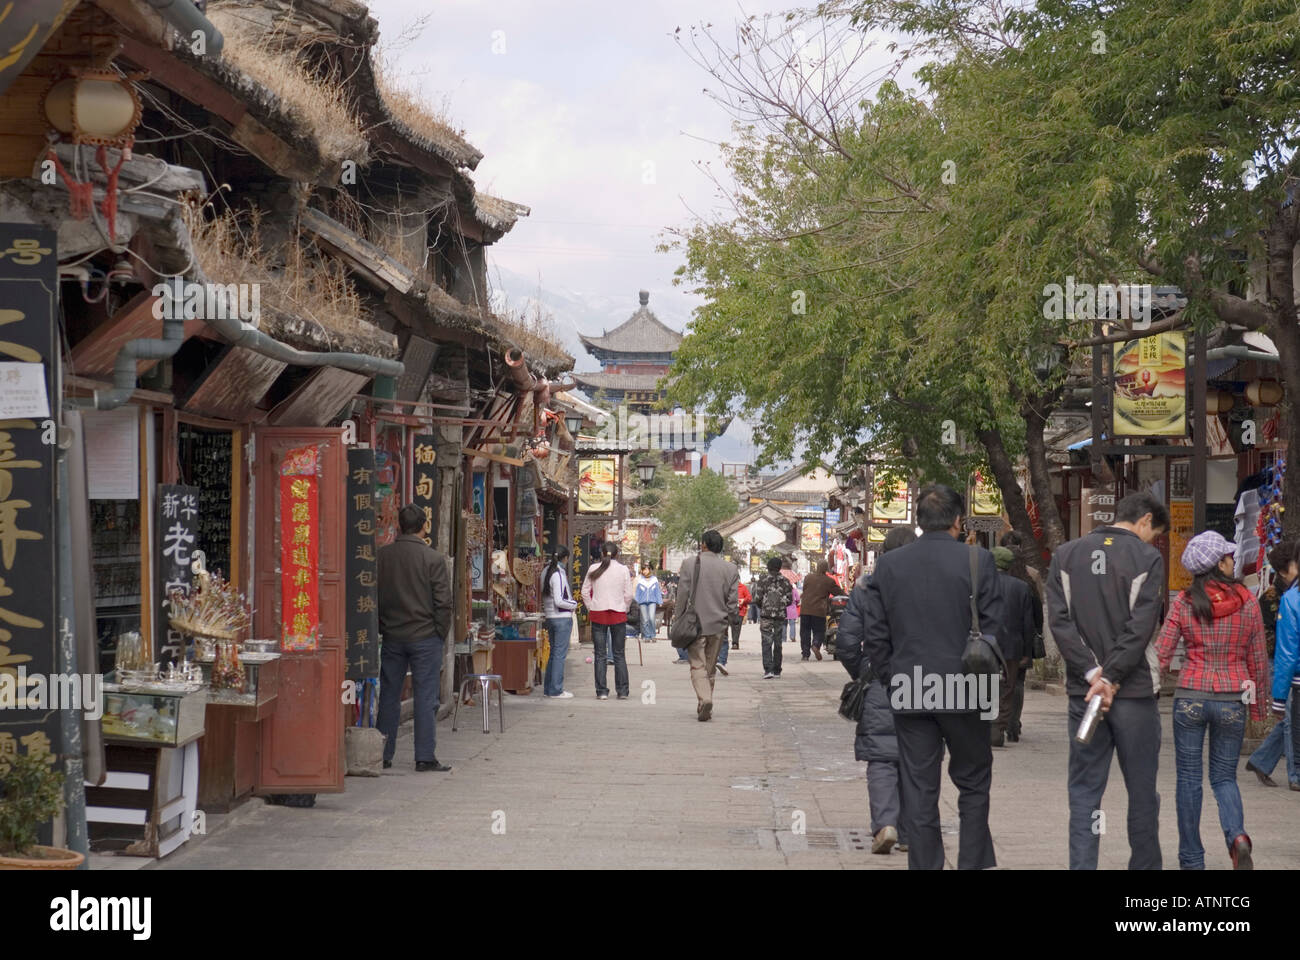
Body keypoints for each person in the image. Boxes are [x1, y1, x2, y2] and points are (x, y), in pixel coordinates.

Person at [863, 484, 1003, 870]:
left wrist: (893, 677)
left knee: (919, 787)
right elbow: (993, 629)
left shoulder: (890, 565)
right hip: (968, 688)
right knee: (973, 782)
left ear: (919, 521)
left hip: (911, 688)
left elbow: (875, 633)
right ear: (959, 520)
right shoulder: (979, 560)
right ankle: (973, 862)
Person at [1046, 490, 1168, 870]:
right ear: (1145, 520)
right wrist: (1112, 677)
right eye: (1156, 533)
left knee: (1084, 792)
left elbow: (1060, 623)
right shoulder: (1147, 558)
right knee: (1142, 792)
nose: (1155, 541)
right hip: (1133, 695)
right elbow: (1141, 627)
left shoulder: (1065, 556)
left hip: (1085, 695)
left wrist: (1092, 673)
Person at [1153, 530, 1269, 870]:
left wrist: (1144, 688)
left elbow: (1162, 652)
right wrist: (1259, 707)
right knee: (1224, 778)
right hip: (1232, 700)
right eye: (1229, 556)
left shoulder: (1184, 602)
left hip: (1189, 697)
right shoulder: (1247, 600)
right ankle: (1238, 838)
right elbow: (1258, 659)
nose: (1234, 560)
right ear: (1219, 562)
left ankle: (1191, 860)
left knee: (1188, 780)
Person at [838, 525, 916, 854]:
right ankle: (912, 832)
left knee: (882, 758)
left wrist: (864, 670)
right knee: (917, 756)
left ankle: (885, 824)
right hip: (924, 681)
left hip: (880, 678)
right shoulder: (931, 586)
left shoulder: (866, 588)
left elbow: (845, 642)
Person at [376, 503, 454, 772]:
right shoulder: (432, 559)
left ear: (399, 525)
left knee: (389, 694)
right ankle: (424, 756)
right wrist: (439, 633)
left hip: (393, 634)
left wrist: (382, 626)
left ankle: (383, 753)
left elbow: (375, 597)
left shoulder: (383, 556)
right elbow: (444, 603)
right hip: (424, 636)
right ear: (424, 526)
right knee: (425, 696)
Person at [1247, 540, 1298, 788]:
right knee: (1290, 719)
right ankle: (1294, 774)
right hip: (1278, 664)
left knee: (1291, 719)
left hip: (1287, 661)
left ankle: (1261, 760)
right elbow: (1269, 640)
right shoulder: (1272, 598)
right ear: (1284, 568)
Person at [675, 530, 739, 720]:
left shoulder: (689, 564)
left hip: (695, 625)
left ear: (703, 545)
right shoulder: (731, 569)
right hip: (718, 625)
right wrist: (730, 620)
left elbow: (682, 594)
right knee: (709, 668)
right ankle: (704, 703)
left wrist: (678, 617)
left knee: (697, 666)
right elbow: (732, 601)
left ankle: (705, 699)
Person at [999, 530, 1045, 741]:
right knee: (1017, 682)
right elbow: (1035, 614)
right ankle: (1013, 723)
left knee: (996, 681)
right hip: (1019, 640)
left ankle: (998, 720)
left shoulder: (990, 579)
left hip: (995, 640)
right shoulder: (1031, 576)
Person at [990, 546, 1037, 748]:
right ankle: (999, 727)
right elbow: (1028, 623)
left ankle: (987, 725)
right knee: (1008, 687)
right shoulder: (1021, 587)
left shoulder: (983, 585)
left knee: (986, 684)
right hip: (1012, 646)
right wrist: (1027, 653)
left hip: (987, 645)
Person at [582, 542, 634, 700]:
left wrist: (592, 606)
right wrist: (624, 607)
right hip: (618, 614)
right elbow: (629, 594)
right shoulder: (623, 569)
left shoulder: (593, 568)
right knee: (619, 654)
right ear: (617, 554)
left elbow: (585, 591)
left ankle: (602, 691)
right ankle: (623, 691)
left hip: (598, 613)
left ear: (602, 553)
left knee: (600, 654)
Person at [1270, 540, 1300, 798]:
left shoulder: (1291, 599)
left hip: (1296, 679)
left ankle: (1296, 775)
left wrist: (1278, 698)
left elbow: (1287, 653)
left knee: (1292, 726)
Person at [541, 546, 578, 699]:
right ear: (565, 558)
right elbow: (559, 600)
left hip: (550, 616)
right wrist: (573, 604)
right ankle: (556, 689)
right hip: (561, 618)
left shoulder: (545, 571)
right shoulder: (558, 574)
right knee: (559, 655)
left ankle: (549, 688)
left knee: (554, 654)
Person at [751, 556, 793, 679]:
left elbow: (757, 599)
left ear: (768, 568)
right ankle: (777, 670)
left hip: (766, 616)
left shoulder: (763, 581)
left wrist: (765, 606)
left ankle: (768, 669)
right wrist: (780, 604)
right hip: (780, 616)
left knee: (766, 642)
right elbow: (790, 600)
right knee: (778, 642)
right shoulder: (786, 581)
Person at [799, 560, 838, 661]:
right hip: (819, 610)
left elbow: (805, 590)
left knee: (805, 632)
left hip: (805, 609)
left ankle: (805, 654)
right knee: (819, 631)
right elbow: (838, 592)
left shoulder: (808, 577)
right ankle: (816, 645)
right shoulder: (829, 581)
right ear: (826, 569)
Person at [634, 564, 663, 644]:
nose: (645, 571)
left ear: (650, 570)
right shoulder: (640, 580)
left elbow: (657, 591)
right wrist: (636, 601)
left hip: (652, 602)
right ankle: (646, 636)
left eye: (647, 569)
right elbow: (637, 593)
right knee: (645, 619)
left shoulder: (654, 579)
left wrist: (660, 601)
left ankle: (653, 635)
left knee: (651, 618)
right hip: (642, 602)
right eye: (644, 570)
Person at [781, 559, 800, 643]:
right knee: (792, 624)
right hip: (792, 608)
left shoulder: (781, 589)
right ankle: (792, 637)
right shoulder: (794, 590)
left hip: (783, 608)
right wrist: (795, 603)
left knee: (784, 624)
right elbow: (798, 599)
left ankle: (783, 638)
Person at [732, 580, 751, 649]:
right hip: (731, 610)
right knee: (733, 627)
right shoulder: (729, 587)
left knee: (737, 627)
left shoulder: (743, 587)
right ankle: (732, 642)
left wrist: (743, 600)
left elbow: (749, 598)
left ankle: (735, 643)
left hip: (740, 611)